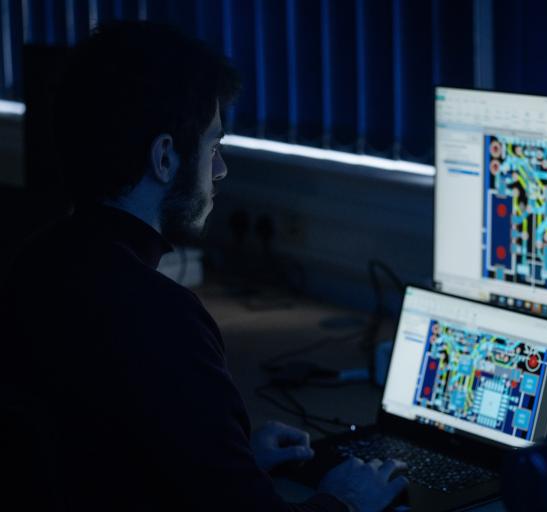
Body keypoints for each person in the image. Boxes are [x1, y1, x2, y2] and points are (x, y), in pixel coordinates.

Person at [0, 21, 406, 511]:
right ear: (165, 158)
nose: (220, 170)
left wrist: (231, 458)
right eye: (213, 147)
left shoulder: (34, 265)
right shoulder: (161, 318)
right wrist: (346, 501)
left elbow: (98, 460)